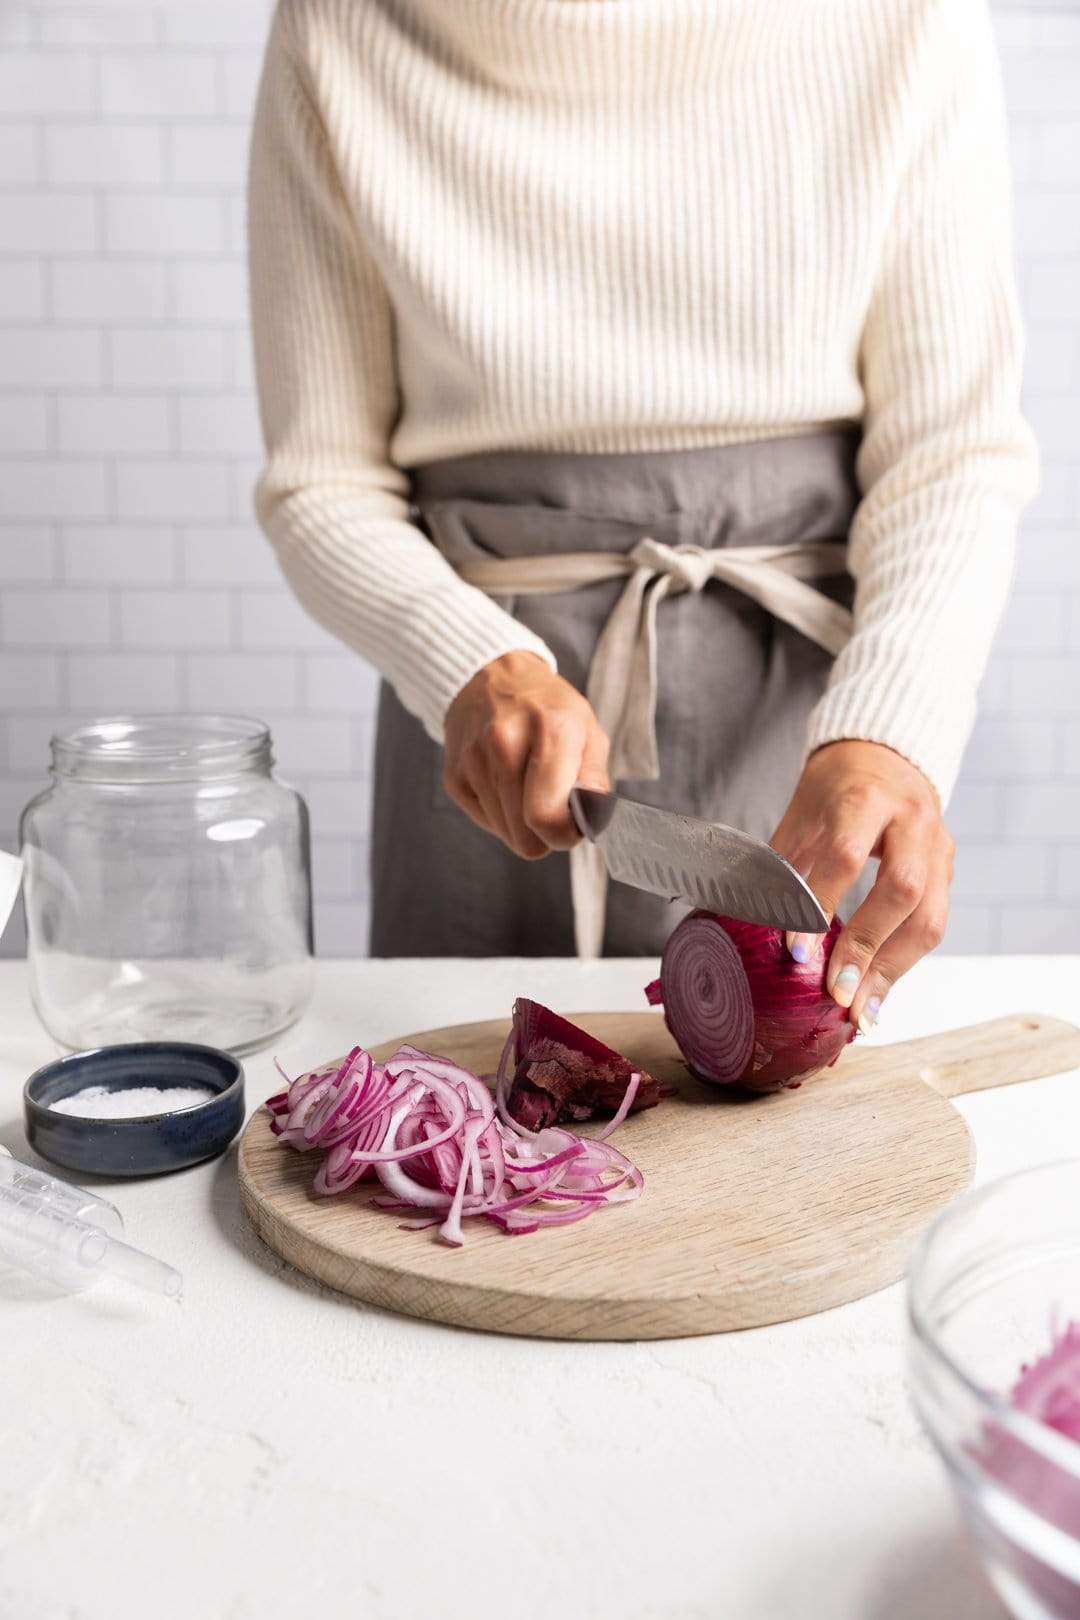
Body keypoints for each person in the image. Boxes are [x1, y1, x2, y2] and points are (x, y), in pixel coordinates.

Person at [248, 0, 1037, 1034]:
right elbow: (322, 482)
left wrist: (890, 735)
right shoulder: (338, 25)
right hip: (488, 745)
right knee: (456, 1149)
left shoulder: (907, 19)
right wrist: (468, 666)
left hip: (797, 729)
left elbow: (952, 455)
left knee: (778, 1132)